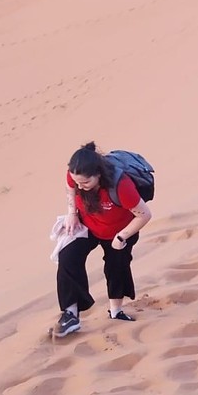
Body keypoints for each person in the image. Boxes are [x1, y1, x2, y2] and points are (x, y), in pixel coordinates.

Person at [55, 142, 153, 336]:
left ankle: (116, 311)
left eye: (85, 183)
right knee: (67, 257)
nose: (80, 187)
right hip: (89, 225)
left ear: (98, 174)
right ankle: (70, 314)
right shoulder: (75, 177)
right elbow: (70, 189)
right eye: (77, 182)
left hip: (120, 230)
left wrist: (122, 236)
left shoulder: (121, 186)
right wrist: (71, 213)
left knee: (117, 265)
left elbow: (145, 215)